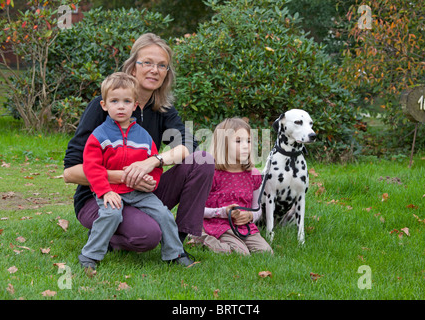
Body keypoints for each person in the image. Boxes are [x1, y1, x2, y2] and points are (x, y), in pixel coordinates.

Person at [63, 33, 214, 260]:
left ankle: (177, 244)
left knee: (202, 160)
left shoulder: (162, 109)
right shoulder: (104, 107)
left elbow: (188, 144)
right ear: (133, 67)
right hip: (101, 195)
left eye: (162, 65)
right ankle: (107, 236)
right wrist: (125, 177)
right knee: (147, 236)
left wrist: (152, 161)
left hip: (143, 192)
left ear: (166, 73)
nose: (155, 70)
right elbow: (70, 172)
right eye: (148, 63)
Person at [79, 72, 193, 269]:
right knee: (111, 215)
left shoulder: (144, 137)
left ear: (134, 105)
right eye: (114, 101)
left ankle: (175, 254)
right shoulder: (99, 135)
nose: (121, 106)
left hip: (139, 193)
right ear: (104, 105)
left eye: (126, 101)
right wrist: (104, 191)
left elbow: (155, 164)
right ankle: (90, 256)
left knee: (164, 214)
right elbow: (91, 167)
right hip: (111, 190)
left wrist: (152, 182)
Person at [193, 118, 273, 255]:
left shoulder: (253, 174)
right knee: (241, 254)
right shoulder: (212, 174)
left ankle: (239, 241)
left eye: (248, 141)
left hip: (244, 226)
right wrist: (222, 212)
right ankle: (199, 236)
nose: (245, 146)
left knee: (266, 253)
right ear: (223, 145)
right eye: (238, 141)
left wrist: (250, 216)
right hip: (218, 224)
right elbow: (196, 209)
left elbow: (257, 207)